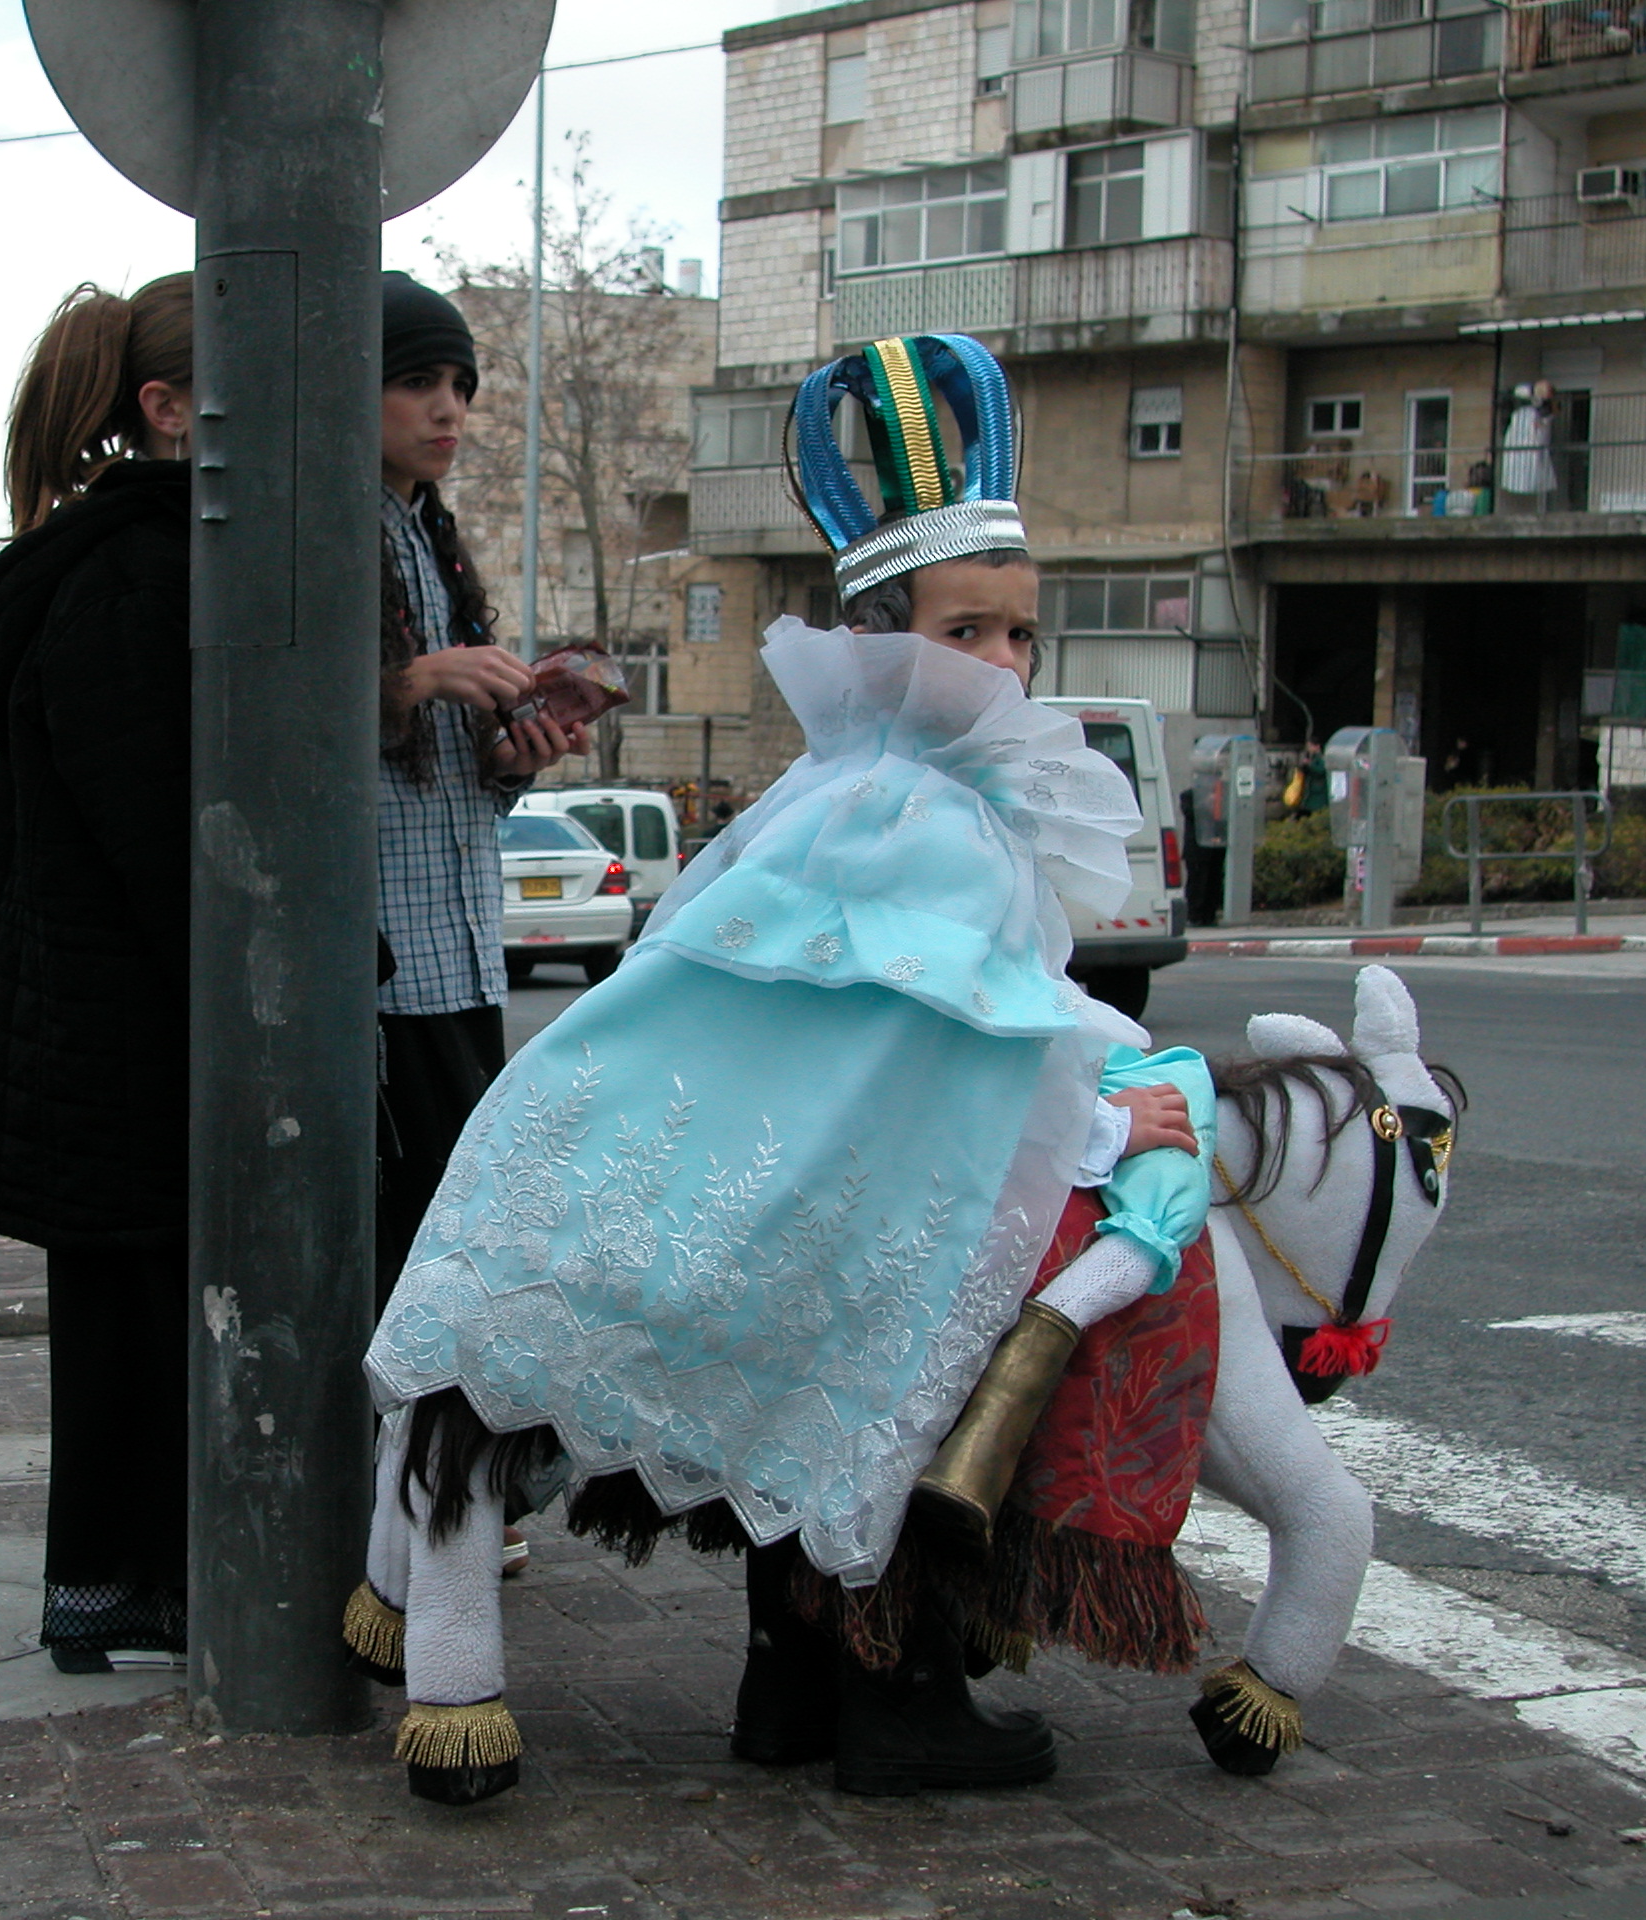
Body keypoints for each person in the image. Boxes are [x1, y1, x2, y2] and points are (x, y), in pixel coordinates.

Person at [352, 333, 1218, 1803]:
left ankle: (792, 1684)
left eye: (1020, 632)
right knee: (900, 1371)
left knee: (827, 1365)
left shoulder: (872, 784)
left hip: (815, 1158)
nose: (1003, 663)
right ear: (886, 641)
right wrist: (1111, 1096)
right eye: (967, 632)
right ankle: (898, 1696)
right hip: (840, 1174)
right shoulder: (912, 810)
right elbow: (981, 1008)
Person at [0, 274, 195, 1673]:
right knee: (144, 1315)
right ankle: (134, 1587)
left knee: (126, 1316)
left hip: (99, 1029)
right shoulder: (137, 569)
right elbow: (158, 824)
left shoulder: (111, 556)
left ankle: (117, 1587)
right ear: (165, 410)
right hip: (129, 1029)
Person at [371, 270, 586, 1310]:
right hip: (375, 973)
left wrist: (511, 759)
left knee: (448, 1241)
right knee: (405, 1255)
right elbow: (267, 726)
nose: (448, 407)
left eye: (460, 383)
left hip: (459, 951)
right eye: (416, 381)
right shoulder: (325, 527)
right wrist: (410, 681)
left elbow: (440, 781)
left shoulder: (432, 537)